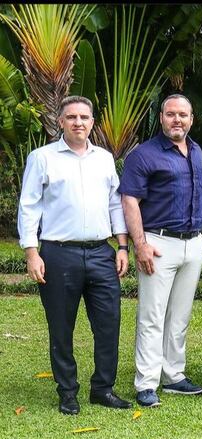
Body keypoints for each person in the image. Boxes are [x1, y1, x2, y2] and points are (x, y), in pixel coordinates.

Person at [17, 95, 133, 414]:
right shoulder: (42, 158)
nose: (78, 122)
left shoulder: (105, 159)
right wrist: (31, 252)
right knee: (61, 326)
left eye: (84, 117)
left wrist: (122, 246)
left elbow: (114, 204)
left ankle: (103, 389)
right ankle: (67, 391)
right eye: (71, 117)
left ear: (92, 123)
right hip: (58, 254)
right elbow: (28, 207)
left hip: (101, 253)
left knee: (108, 324)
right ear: (61, 122)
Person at [119, 94, 202, 408]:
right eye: (171, 114)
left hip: (194, 244)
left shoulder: (196, 151)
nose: (177, 120)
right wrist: (139, 245)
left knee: (179, 316)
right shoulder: (143, 155)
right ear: (161, 118)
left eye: (183, 115)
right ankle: (146, 383)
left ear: (191, 119)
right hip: (158, 244)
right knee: (152, 317)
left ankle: (174, 376)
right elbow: (129, 201)